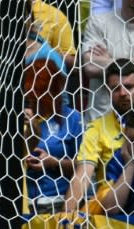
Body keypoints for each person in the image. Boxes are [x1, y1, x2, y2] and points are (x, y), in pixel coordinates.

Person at [65, 59, 134, 214]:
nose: (123, 93)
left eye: (129, 86)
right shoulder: (97, 128)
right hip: (114, 219)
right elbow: (82, 176)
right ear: (108, 92)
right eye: (115, 88)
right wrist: (65, 218)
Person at [23, 59, 83, 213]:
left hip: (58, 202)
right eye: (29, 97)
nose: (34, 102)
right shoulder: (18, 119)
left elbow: (84, 167)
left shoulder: (72, 119)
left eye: (39, 96)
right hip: (22, 203)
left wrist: (54, 163)